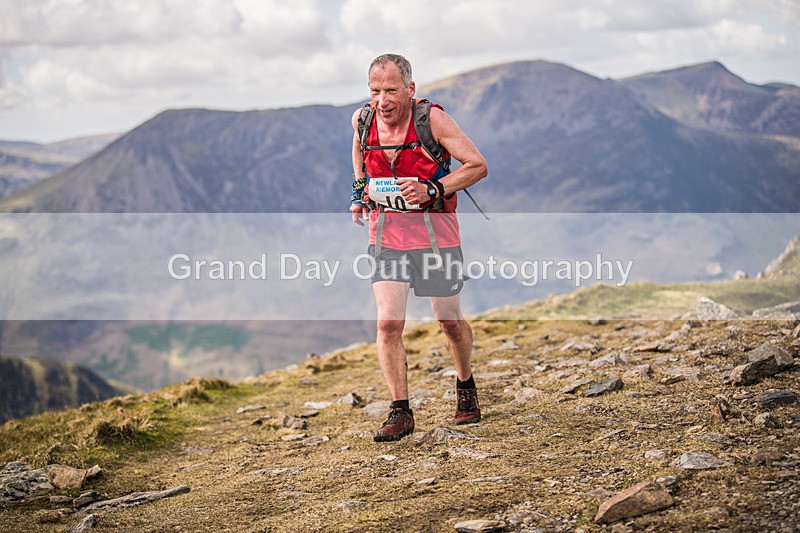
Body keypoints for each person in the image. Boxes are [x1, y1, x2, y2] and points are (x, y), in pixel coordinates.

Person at [349, 53, 488, 442]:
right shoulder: (361, 120)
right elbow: (359, 155)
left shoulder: (433, 121)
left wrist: (433, 188)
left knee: (449, 321)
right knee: (388, 323)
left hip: (435, 236)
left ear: (410, 89)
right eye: (375, 91)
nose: (382, 101)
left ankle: (465, 384)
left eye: (391, 90)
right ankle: (400, 411)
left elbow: (477, 165)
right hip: (386, 235)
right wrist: (359, 194)